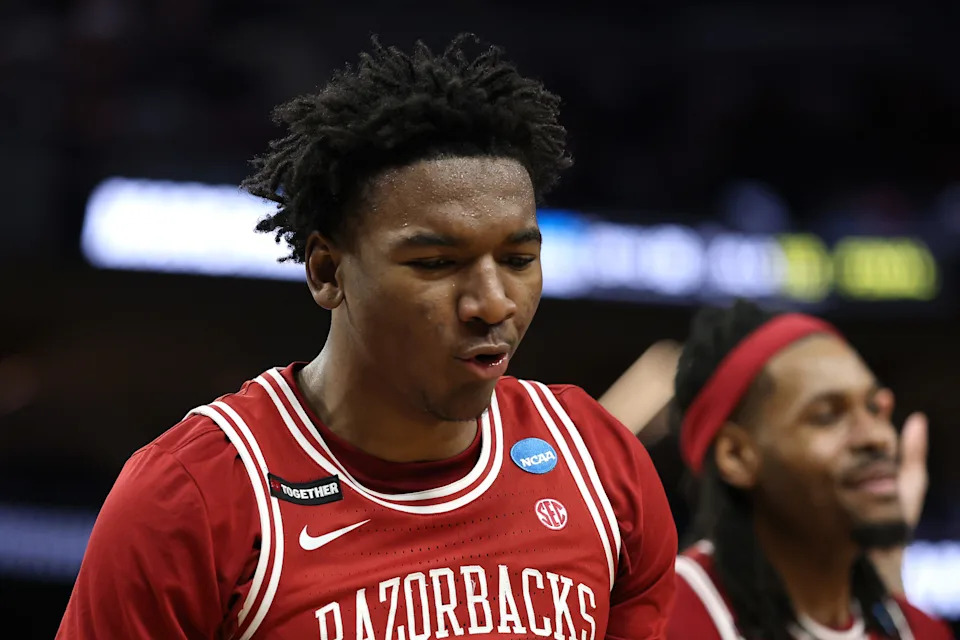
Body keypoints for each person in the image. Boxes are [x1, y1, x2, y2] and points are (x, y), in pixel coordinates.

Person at [57, 34, 677, 639]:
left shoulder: (600, 464)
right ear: (329, 272)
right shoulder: (194, 494)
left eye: (518, 261)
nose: (492, 302)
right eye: (436, 264)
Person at [665, 299, 954, 639]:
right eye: (827, 415)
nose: (877, 437)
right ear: (737, 455)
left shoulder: (920, 630)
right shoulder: (662, 620)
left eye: (874, 407)